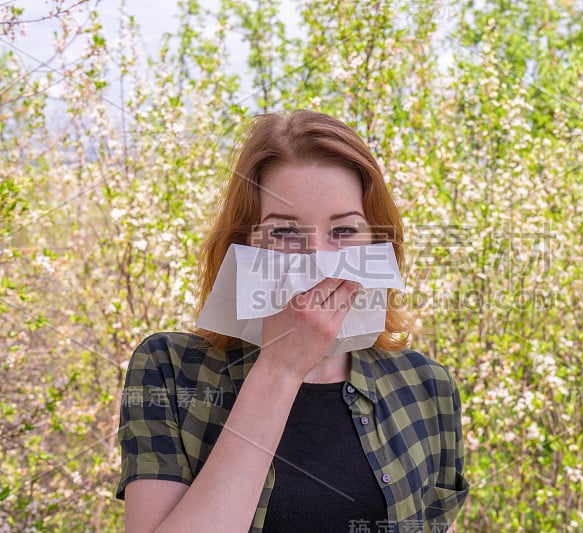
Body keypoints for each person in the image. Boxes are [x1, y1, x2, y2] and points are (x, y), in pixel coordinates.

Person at [116, 110, 470, 533]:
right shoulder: (170, 370)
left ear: (378, 243)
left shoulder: (427, 386)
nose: (318, 261)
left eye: (343, 232)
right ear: (244, 243)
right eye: (285, 233)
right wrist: (280, 368)